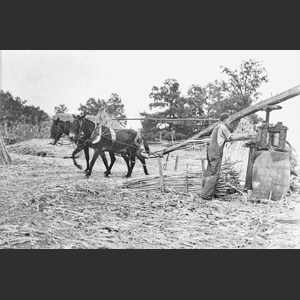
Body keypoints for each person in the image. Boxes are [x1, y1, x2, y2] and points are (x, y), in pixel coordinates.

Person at [200, 113, 255, 200]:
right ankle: (206, 196)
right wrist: (244, 135)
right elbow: (231, 137)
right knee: (214, 174)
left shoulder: (216, 128)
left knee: (209, 173)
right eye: (229, 120)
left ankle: (204, 193)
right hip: (216, 152)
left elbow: (226, 138)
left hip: (210, 151)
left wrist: (243, 138)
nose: (229, 122)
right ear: (225, 119)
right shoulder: (223, 127)